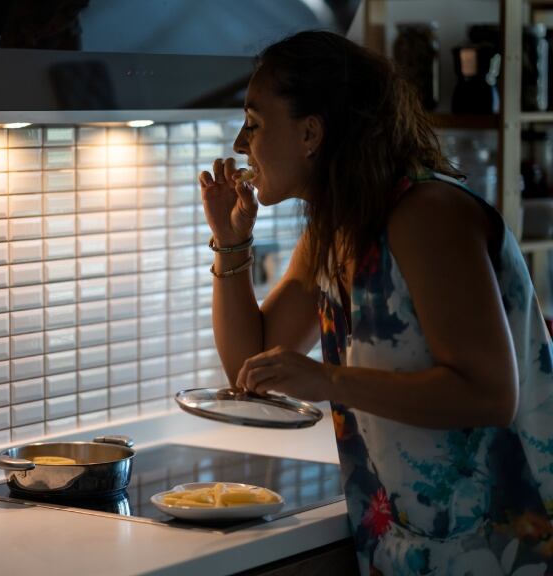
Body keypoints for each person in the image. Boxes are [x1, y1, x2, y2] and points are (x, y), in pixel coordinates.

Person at [199, 30, 553, 575]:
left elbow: (488, 393)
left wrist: (328, 381)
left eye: (255, 121)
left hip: (509, 543)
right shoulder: (334, 231)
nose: (241, 143)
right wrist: (230, 240)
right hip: (417, 543)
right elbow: (252, 363)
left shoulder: (426, 215)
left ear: (311, 132)